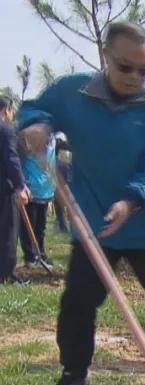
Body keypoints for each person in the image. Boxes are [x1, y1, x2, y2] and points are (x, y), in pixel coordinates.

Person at [18, 21, 145, 385]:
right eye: (125, 68)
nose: (136, 78)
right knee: (77, 302)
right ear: (106, 57)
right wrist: (37, 125)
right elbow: (36, 107)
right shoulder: (73, 92)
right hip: (93, 225)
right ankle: (74, 378)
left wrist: (130, 202)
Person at [1, 95, 30, 285]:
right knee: (7, 231)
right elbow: (12, 159)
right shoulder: (5, 130)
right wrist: (20, 185)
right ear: (6, 111)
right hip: (4, 189)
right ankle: (6, 274)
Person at [18, 134, 56, 266]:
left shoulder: (53, 139)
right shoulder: (26, 138)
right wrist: (22, 185)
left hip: (46, 190)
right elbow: (19, 163)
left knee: (41, 227)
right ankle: (29, 256)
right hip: (31, 189)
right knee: (29, 226)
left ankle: (41, 254)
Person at [54, 142, 71, 232]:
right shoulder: (65, 164)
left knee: (59, 210)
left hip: (56, 189)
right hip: (65, 188)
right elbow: (68, 178)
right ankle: (64, 227)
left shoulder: (52, 163)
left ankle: (63, 227)